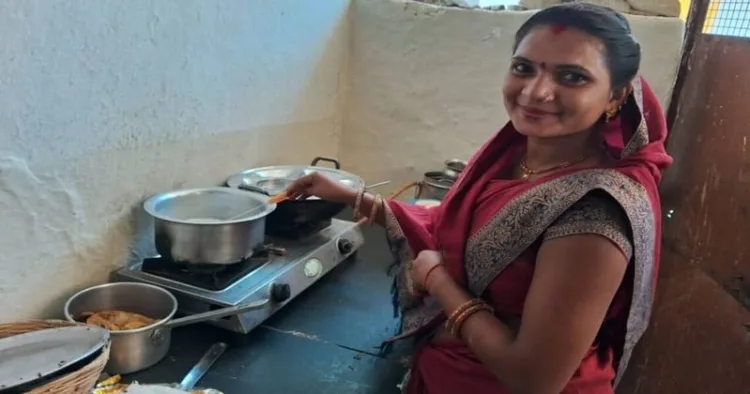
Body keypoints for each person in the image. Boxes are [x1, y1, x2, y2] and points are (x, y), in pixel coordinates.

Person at [284, 3, 672, 393]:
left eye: (572, 77)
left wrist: (436, 278)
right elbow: (450, 228)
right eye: (523, 68)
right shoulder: (513, 158)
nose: (537, 92)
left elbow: (533, 378)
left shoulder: (595, 213)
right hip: (450, 369)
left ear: (616, 96)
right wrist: (353, 197)